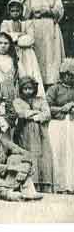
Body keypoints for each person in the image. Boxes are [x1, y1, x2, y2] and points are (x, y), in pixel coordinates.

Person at [0, 115, 44, 201]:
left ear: (1, 134)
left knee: (15, 158)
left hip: (3, 175)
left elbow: (26, 153)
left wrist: (25, 167)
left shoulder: (5, 143)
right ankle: (6, 191)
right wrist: (15, 168)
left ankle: (28, 190)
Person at [21, 0, 64, 88]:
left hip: (50, 27)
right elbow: (24, 12)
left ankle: (51, 82)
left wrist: (47, 10)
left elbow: (59, 10)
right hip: (35, 26)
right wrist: (32, 12)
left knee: (51, 55)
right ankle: (35, 82)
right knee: (37, 54)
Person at [12, 76, 54, 192]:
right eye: (25, 89)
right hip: (24, 132)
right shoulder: (17, 101)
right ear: (21, 89)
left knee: (42, 154)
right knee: (28, 153)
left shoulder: (41, 100)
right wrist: (36, 112)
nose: (28, 91)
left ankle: (43, 183)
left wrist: (36, 117)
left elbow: (47, 114)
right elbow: (21, 113)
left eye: (30, 88)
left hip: (40, 132)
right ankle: (30, 182)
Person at [46, 59, 74, 193]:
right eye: (66, 74)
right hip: (57, 125)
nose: (69, 77)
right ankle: (59, 185)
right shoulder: (54, 89)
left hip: (72, 124)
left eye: (72, 75)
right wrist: (62, 108)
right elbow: (47, 108)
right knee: (58, 153)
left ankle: (71, 184)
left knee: (71, 153)